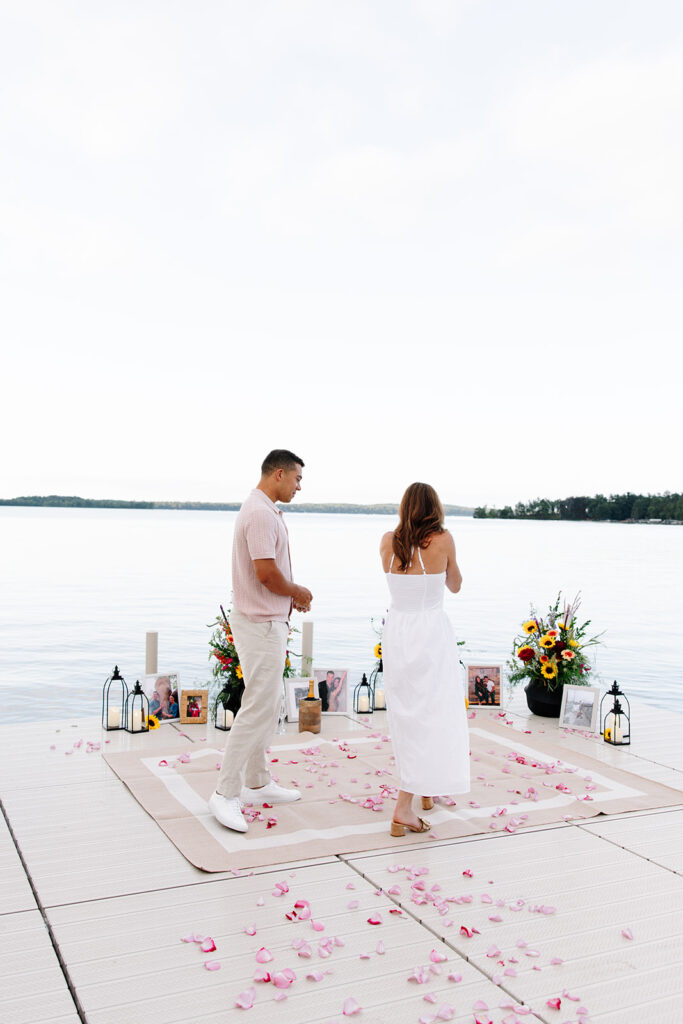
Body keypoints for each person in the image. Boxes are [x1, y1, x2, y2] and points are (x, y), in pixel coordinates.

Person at [209, 449, 313, 833]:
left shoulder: (263, 510)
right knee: (258, 707)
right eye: (298, 479)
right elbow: (266, 573)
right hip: (260, 623)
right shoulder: (258, 513)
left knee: (267, 705)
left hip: (264, 620)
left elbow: (268, 576)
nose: (300, 486)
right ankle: (224, 792)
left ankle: (256, 780)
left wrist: (288, 597)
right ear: (280, 474)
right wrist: (297, 592)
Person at [379, 482, 470, 836]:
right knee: (432, 712)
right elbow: (456, 585)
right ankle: (404, 807)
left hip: (398, 631)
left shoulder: (388, 541)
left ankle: (426, 791)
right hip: (430, 632)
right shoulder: (443, 540)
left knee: (408, 713)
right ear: (435, 507)